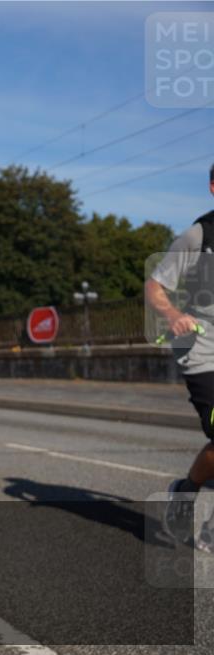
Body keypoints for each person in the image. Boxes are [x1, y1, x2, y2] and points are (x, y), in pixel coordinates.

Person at [148, 163, 214, 552]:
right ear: (212, 186)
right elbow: (155, 286)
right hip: (202, 348)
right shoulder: (198, 235)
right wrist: (172, 314)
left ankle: (186, 493)